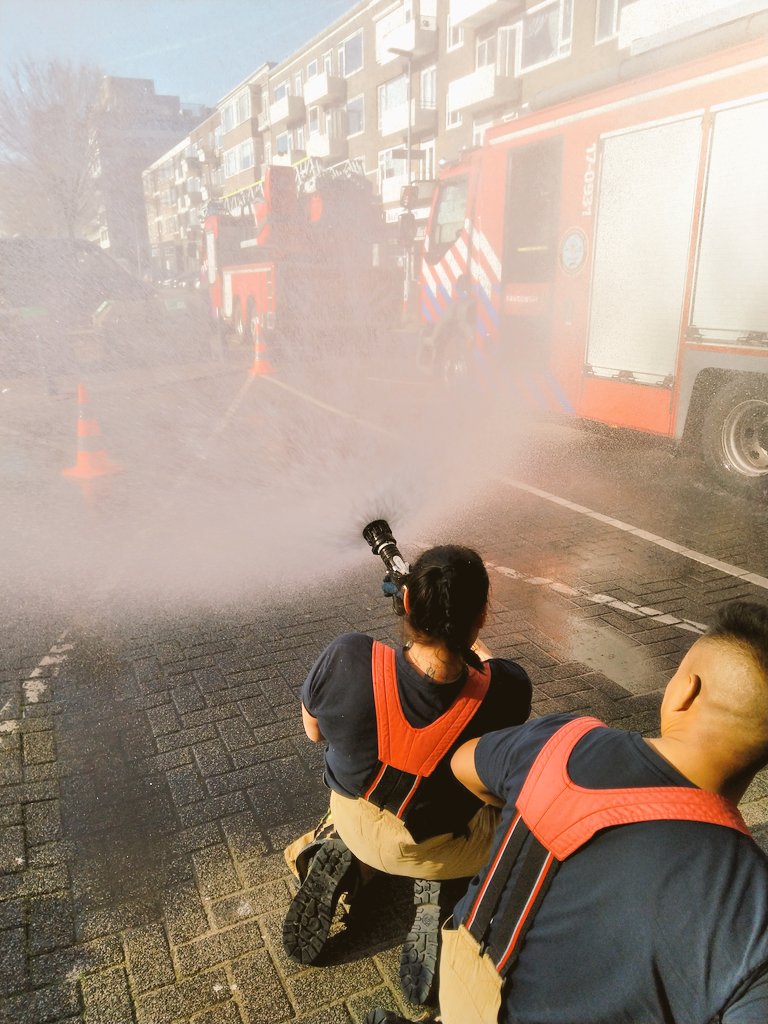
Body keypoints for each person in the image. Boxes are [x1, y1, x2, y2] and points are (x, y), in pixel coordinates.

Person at [365, 600, 768, 1024]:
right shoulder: (751, 911)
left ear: (685, 690)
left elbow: (463, 763)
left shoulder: (564, 739)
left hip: (468, 976)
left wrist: (531, 805)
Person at [282, 544, 532, 1004]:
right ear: (481, 618)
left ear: (407, 603)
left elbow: (314, 733)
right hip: (441, 848)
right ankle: (441, 894)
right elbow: (488, 674)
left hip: (357, 817)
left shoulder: (349, 655)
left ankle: (344, 856)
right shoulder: (507, 691)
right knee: (507, 806)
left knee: (356, 769)